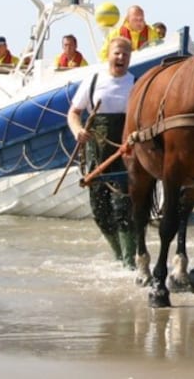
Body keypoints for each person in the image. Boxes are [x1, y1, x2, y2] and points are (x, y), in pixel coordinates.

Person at [67, 37, 137, 268]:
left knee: (123, 209)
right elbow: (74, 113)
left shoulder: (135, 84)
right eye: (117, 53)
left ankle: (129, 262)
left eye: (126, 54)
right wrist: (78, 130)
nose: (121, 58)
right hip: (97, 153)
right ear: (109, 53)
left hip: (126, 154)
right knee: (100, 211)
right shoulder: (94, 81)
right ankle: (118, 254)